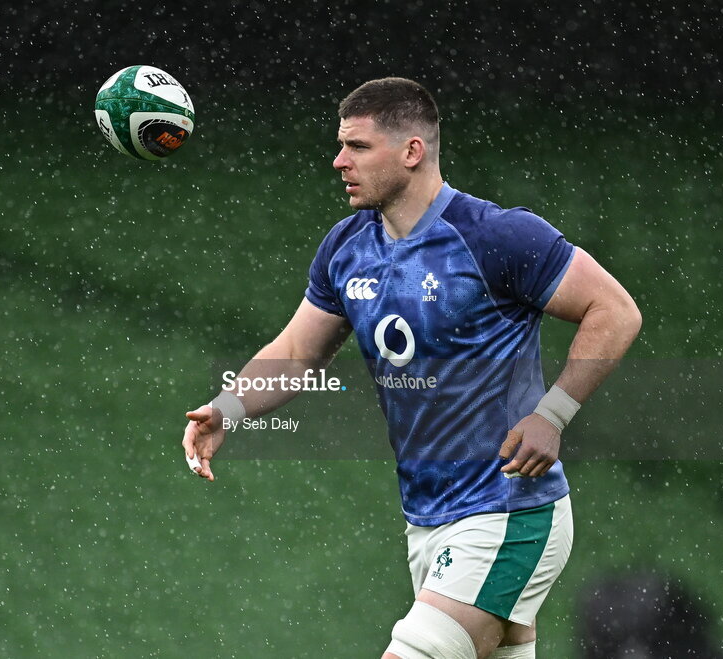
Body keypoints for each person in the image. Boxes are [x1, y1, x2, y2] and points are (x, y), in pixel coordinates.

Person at [181, 77, 641, 659]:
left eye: (357, 146)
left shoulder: (495, 236)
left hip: (506, 510)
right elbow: (297, 352)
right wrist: (228, 408)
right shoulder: (346, 248)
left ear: (412, 152)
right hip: (427, 521)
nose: (338, 160)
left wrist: (553, 413)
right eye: (341, 145)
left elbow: (615, 311)